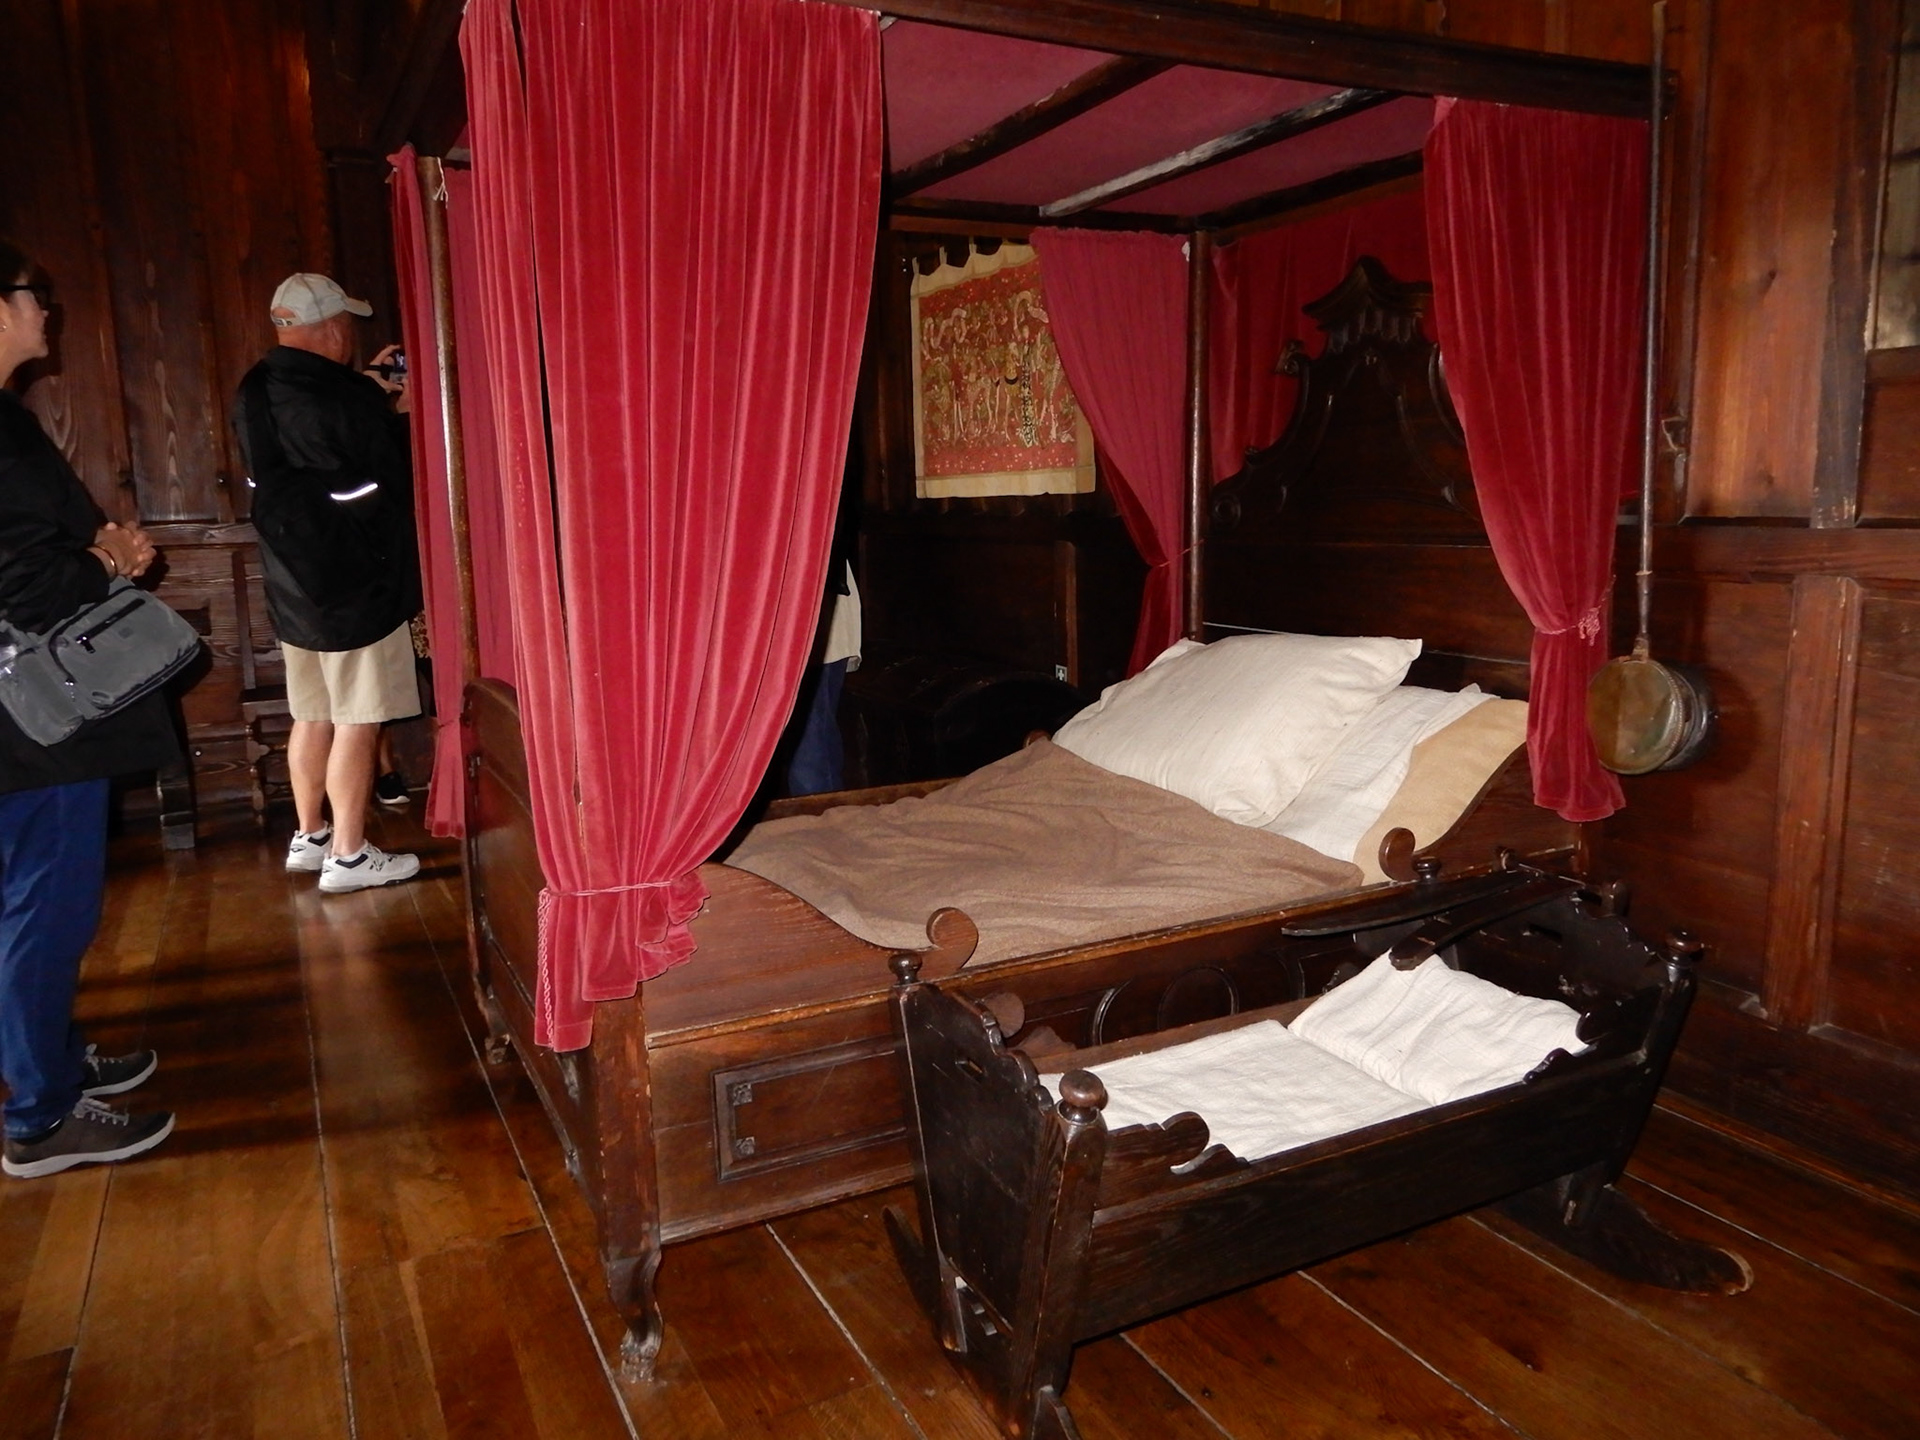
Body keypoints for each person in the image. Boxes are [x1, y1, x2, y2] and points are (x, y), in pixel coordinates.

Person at [0, 239, 176, 1179]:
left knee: (29, 904)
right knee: (44, 909)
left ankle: (51, 1061)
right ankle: (40, 1115)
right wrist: (111, 557)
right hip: (33, 721)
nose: (45, 311)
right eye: (33, 296)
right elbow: (24, 581)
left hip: (24, 717)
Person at [232, 274, 423, 893]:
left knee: (312, 714)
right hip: (356, 583)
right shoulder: (344, 398)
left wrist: (368, 393)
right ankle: (349, 853)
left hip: (292, 580)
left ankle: (310, 834)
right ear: (334, 327)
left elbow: (311, 464)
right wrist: (388, 407)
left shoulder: (254, 387)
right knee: (359, 719)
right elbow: (386, 485)